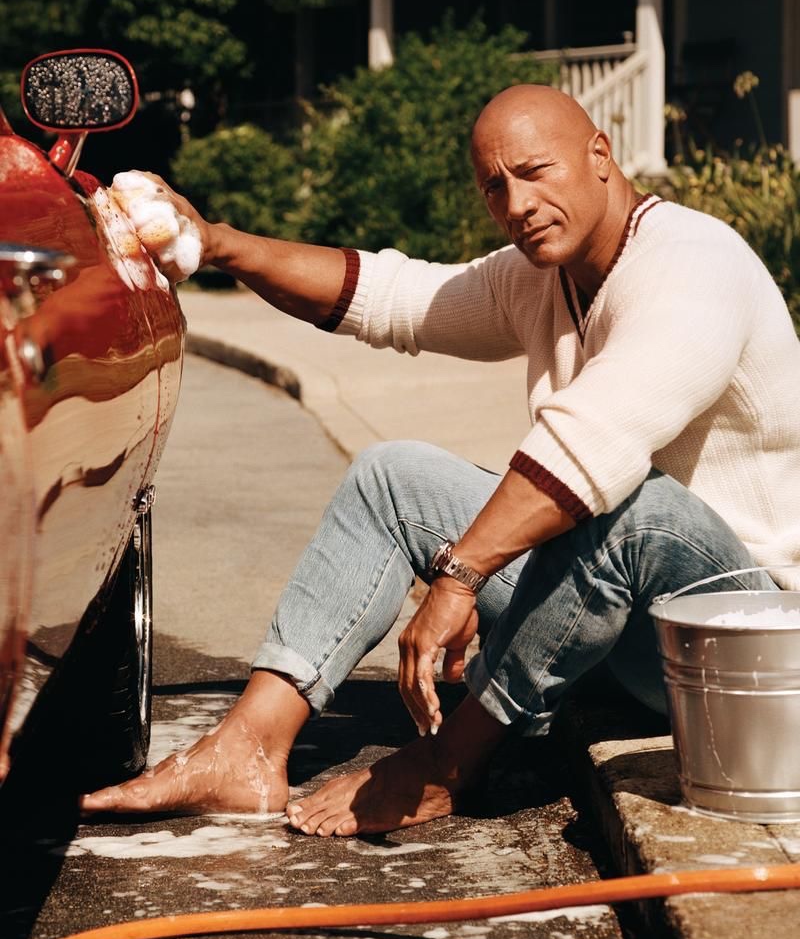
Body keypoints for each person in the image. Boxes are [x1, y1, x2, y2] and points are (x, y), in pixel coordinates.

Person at [81, 84, 800, 836]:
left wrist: (461, 575)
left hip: (749, 639)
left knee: (636, 510)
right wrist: (220, 243)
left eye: (535, 171)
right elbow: (391, 297)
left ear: (600, 157)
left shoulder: (692, 264)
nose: (517, 203)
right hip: (633, 631)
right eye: (496, 186)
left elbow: (597, 437)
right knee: (393, 477)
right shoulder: (544, 274)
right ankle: (247, 750)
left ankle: (447, 765)